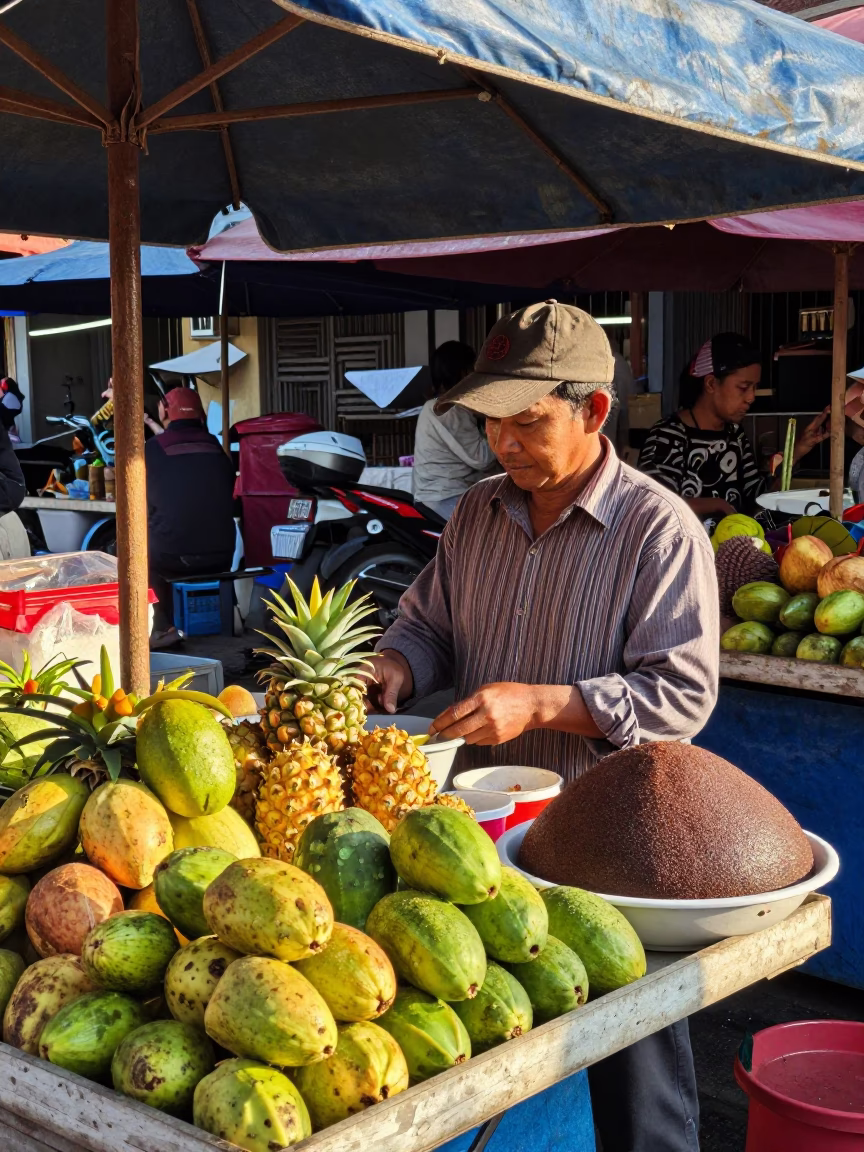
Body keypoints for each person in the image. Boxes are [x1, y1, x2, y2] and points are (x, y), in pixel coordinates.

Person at [364, 300, 718, 1152]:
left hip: (608, 842)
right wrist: (396, 663)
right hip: (483, 839)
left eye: (527, 423)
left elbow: (682, 693)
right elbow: (428, 625)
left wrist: (545, 702)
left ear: (593, 411)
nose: (505, 446)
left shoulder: (657, 529)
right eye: (492, 427)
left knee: (638, 1068)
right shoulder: (478, 516)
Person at [638, 332, 829, 520]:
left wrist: (797, 451)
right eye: (743, 387)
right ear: (711, 384)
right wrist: (716, 505)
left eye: (755, 387)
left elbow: (758, 499)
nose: (751, 397)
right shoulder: (667, 434)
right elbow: (653, 503)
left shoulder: (735, 436)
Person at [146, 386, 236, 649]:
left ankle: (161, 626)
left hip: (173, 557)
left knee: (134, 555)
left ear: (164, 411)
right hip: (221, 557)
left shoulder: (152, 449)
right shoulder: (218, 449)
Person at [412, 340, 498, 519]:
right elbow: (482, 458)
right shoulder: (448, 409)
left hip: (437, 495)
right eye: (472, 369)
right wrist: (498, 424)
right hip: (445, 496)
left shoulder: (439, 406)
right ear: (461, 371)